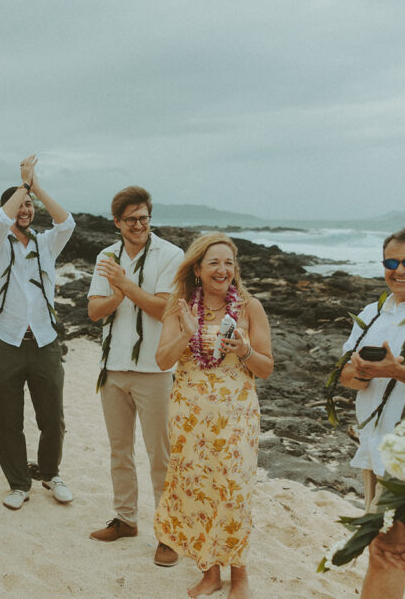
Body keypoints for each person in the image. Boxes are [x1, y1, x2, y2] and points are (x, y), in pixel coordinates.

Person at [154, 233, 273, 599]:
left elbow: (266, 368)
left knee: (234, 492)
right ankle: (209, 573)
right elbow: (162, 361)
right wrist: (187, 336)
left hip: (236, 416)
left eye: (228, 263)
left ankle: (240, 577)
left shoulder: (249, 307)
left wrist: (245, 349)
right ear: (198, 269)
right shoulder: (180, 307)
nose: (223, 270)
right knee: (198, 491)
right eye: (214, 263)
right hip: (190, 417)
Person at [87, 186, 183, 566]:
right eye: (132, 219)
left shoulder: (170, 255)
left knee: (161, 455)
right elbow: (95, 310)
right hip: (113, 369)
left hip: (154, 370)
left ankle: (168, 534)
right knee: (119, 450)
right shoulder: (106, 256)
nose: (140, 224)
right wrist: (117, 297)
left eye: (144, 217)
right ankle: (126, 520)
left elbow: (164, 309)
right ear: (118, 223)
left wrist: (124, 285)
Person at [0, 155, 75, 511]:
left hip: (45, 342)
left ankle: (51, 474)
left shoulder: (47, 243)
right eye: (20, 205)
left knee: (53, 418)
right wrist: (22, 186)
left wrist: (35, 187)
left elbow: (67, 222)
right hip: (6, 341)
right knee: (8, 419)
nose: (26, 210)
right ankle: (18, 483)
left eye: (30, 206)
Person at [338, 227, 405, 598]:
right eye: (392, 262)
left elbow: (400, 376)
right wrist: (361, 371)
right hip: (378, 449)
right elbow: (345, 377)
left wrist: (397, 372)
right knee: (393, 549)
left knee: (391, 550)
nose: (400, 270)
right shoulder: (373, 313)